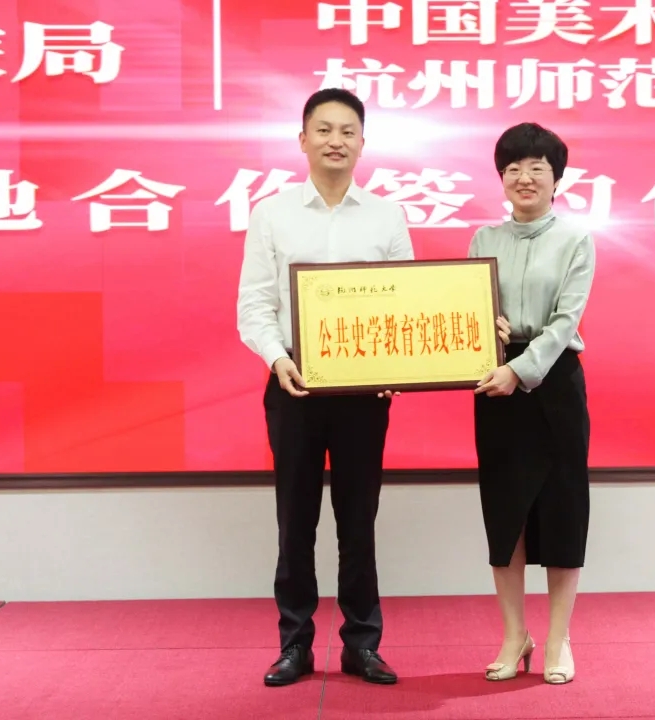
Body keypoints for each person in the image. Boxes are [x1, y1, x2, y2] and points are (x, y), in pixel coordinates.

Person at [237, 88, 413, 687]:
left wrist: (398, 364)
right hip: (294, 385)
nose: (336, 140)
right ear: (303, 139)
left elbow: (406, 303)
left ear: (362, 142)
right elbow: (255, 303)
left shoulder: (387, 215)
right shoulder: (273, 214)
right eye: (324, 129)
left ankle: (363, 644)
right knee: (296, 520)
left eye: (347, 131)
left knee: (359, 520)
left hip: (365, 391)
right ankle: (295, 645)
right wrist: (276, 358)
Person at [469, 122, 596, 685]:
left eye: (537, 167)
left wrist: (519, 371)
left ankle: (559, 639)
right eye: (514, 167)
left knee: (563, 509)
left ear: (556, 178)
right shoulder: (483, 239)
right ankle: (514, 635)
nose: (525, 177)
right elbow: (469, 311)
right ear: (502, 177)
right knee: (505, 513)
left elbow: (566, 320)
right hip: (493, 381)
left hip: (553, 382)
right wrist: (485, 331)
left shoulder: (576, 239)